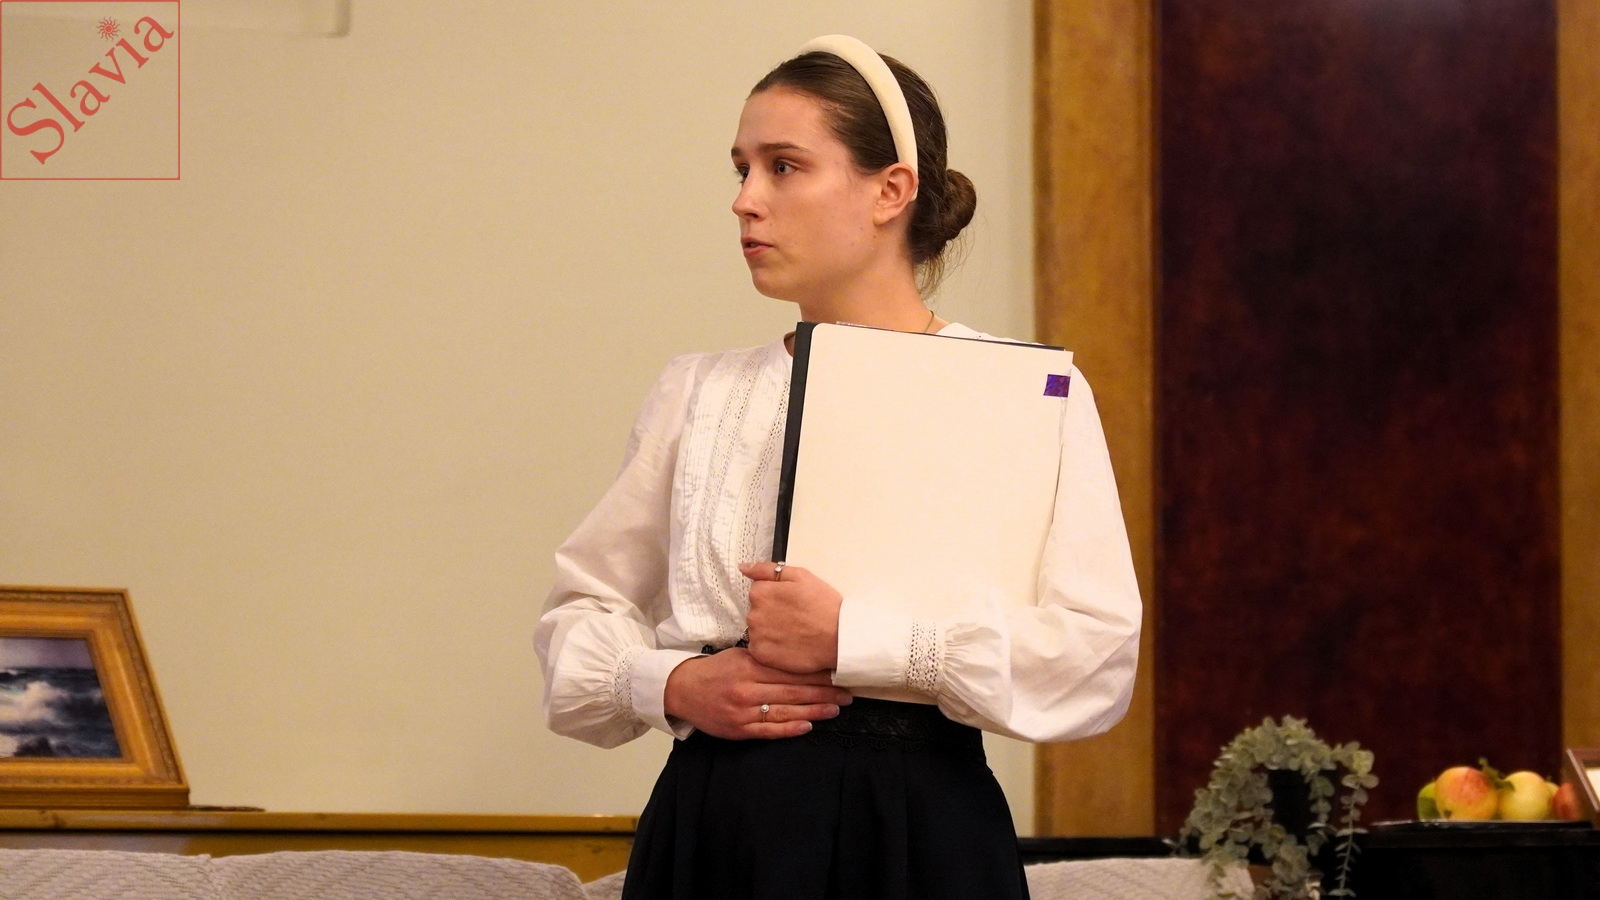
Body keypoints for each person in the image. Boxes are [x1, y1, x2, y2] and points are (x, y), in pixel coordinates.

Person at [535, 35, 1141, 900]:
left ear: (891, 189)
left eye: (784, 167)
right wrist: (672, 682)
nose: (745, 200)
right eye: (741, 169)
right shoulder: (697, 392)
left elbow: (1093, 656)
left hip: (921, 833)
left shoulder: (1025, 393)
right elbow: (581, 612)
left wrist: (858, 638)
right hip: (719, 829)